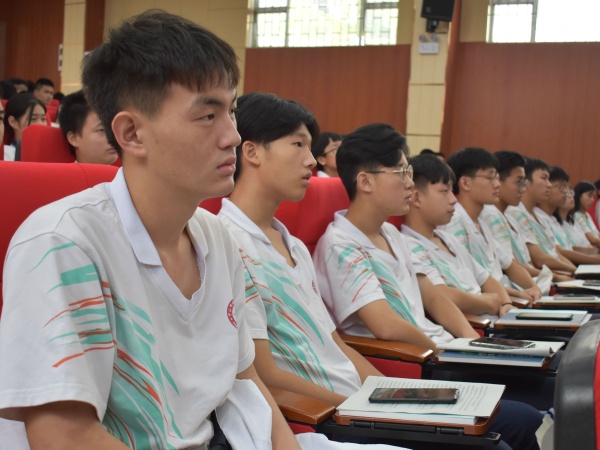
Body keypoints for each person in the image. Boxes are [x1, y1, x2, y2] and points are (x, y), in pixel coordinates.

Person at [0, 11, 300, 450]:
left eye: (231, 111)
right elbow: (64, 436)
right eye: (208, 116)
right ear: (132, 133)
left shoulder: (217, 237)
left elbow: (245, 378)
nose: (233, 136)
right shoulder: (63, 244)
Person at [220, 97, 541, 450]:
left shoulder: (293, 245)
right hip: (325, 413)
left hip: (358, 398)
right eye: (298, 145)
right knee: (499, 441)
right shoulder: (228, 244)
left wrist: (388, 392)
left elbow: (334, 342)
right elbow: (264, 372)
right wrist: (363, 404)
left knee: (522, 420)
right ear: (252, 152)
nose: (311, 160)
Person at [401, 154, 515, 319]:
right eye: (444, 191)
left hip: (492, 318)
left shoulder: (448, 239)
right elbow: (442, 295)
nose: (453, 199)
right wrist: (487, 302)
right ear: (416, 198)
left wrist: (506, 304)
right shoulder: (409, 245)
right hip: (474, 323)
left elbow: (486, 280)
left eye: (451, 191)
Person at [443, 148, 541, 303]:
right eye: (490, 177)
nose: (497, 184)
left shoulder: (480, 223)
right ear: (465, 183)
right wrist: (516, 295)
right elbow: (470, 282)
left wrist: (533, 287)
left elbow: (509, 265)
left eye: (497, 177)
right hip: (488, 304)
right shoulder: (454, 222)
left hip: (504, 297)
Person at [479, 151, 573, 282]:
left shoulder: (509, 218)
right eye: (519, 182)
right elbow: (525, 263)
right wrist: (557, 276)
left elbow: (527, 263)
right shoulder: (493, 214)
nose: (523, 188)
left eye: (524, 182)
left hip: (531, 282)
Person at [504, 158, 577, 275]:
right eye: (544, 178)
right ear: (527, 181)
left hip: (554, 275)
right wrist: (573, 271)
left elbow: (555, 253)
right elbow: (540, 259)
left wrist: (575, 271)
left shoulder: (540, 217)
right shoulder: (515, 213)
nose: (549, 185)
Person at [536, 166, 600, 263]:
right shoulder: (539, 217)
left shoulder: (554, 220)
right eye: (562, 186)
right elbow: (556, 253)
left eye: (567, 188)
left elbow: (568, 249)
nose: (566, 192)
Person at [59, 90, 118, 165]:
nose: (114, 137)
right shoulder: (64, 173)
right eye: (102, 130)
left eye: (114, 128)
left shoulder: (127, 171)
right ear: (73, 138)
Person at [2, 92, 47, 161]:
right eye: (33, 119)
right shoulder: (6, 154)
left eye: (43, 119)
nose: (41, 124)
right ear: (13, 122)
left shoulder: (50, 152)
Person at [572, 181, 600, 248]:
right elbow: (592, 239)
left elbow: (597, 234)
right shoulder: (576, 215)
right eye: (589, 196)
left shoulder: (587, 214)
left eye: (594, 197)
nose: (592, 200)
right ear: (579, 195)